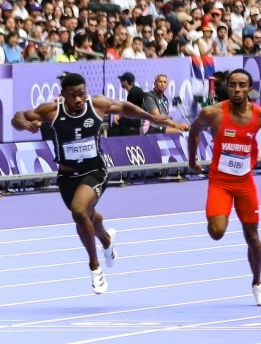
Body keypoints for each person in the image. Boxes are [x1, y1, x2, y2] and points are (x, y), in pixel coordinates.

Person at [12, 73, 168, 294]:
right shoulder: (52, 110)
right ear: (63, 95)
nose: (78, 100)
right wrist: (26, 125)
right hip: (66, 176)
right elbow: (18, 116)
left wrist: (151, 117)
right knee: (88, 216)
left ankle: (95, 267)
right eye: (72, 96)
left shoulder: (96, 105)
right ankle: (106, 240)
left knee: (78, 211)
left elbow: (123, 107)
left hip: (95, 170)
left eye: (81, 94)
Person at [187, 69, 261, 305]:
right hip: (220, 182)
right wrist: (191, 161)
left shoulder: (258, 115)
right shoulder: (213, 113)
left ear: (249, 89)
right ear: (227, 87)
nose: (237, 90)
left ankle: (257, 282)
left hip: (245, 182)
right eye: (232, 85)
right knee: (216, 232)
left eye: (242, 86)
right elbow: (193, 132)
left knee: (253, 238)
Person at [110, 72, 145, 136]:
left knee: (123, 121)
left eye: (121, 80)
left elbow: (129, 111)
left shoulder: (134, 92)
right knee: (119, 122)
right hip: (139, 117)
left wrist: (118, 115)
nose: (120, 83)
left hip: (141, 120)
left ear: (125, 81)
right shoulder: (134, 91)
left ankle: (126, 139)